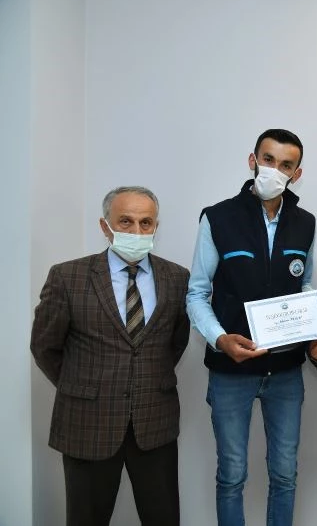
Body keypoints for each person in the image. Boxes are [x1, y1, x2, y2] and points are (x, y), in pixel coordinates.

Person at [186, 128, 317, 526]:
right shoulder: (217, 218)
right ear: (253, 161)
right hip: (230, 370)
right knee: (232, 475)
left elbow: (304, 285)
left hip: (285, 372)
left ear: (296, 174)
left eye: (286, 165)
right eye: (268, 160)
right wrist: (220, 339)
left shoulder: (305, 223)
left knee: (285, 475)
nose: (274, 170)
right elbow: (196, 294)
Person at [30, 186, 190, 526]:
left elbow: (175, 343)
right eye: (125, 221)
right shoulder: (68, 277)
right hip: (88, 423)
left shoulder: (177, 278)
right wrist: (83, 386)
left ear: (156, 227)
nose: (137, 231)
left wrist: (144, 379)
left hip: (154, 423)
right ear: (105, 226)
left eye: (146, 223)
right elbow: (45, 346)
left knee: (163, 518)